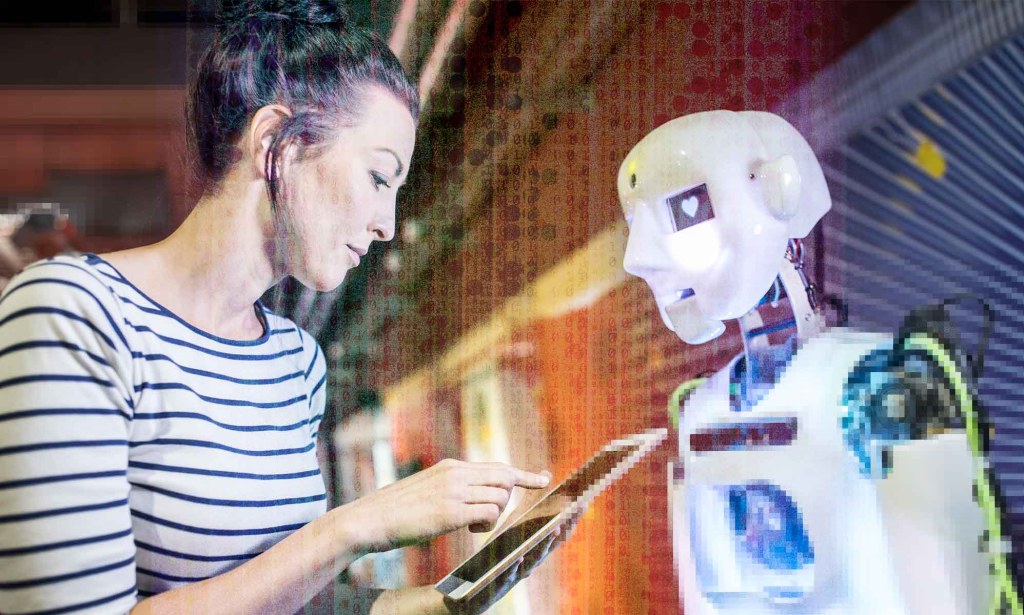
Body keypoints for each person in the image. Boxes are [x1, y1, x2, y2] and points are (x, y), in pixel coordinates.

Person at [0, 2, 555, 613]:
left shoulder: (296, 364)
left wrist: (443, 601)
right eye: (378, 178)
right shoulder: (76, 313)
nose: (387, 226)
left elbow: (290, 599)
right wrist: (350, 528)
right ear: (277, 145)